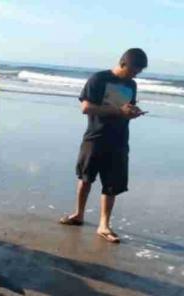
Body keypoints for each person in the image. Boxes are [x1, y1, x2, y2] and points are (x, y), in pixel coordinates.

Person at [59, 48, 148, 244]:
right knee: (85, 177)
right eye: (134, 70)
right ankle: (78, 214)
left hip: (119, 139)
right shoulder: (99, 79)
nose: (136, 74)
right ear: (124, 63)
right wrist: (119, 110)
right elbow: (86, 108)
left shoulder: (131, 84)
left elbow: (125, 109)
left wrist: (132, 112)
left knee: (112, 183)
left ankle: (104, 224)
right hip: (96, 136)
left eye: (139, 71)